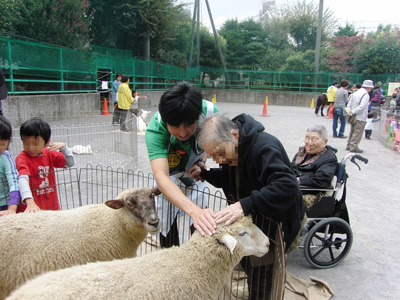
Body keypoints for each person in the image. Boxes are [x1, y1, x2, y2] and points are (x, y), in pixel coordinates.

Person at [188, 113, 305, 299]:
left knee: (263, 273)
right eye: (212, 156)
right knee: (251, 264)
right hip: (255, 221)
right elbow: (234, 179)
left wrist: (244, 205)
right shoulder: (233, 150)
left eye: (218, 153)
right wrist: (206, 173)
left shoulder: (264, 147)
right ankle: (254, 289)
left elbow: (287, 186)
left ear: (234, 135)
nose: (218, 159)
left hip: (275, 223)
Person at [145, 82, 219, 248]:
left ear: (198, 116)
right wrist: (193, 211)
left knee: (202, 230)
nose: (183, 132)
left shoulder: (210, 114)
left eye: (189, 125)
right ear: (166, 120)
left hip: (195, 178)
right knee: (167, 232)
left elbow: (215, 143)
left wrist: (203, 160)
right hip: (169, 180)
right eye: (175, 126)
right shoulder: (156, 129)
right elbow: (161, 177)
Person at [15, 118, 75, 213]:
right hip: (32, 209)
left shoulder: (49, 153)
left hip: (51, 207)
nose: (30, 148)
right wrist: (29, 201)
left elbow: (69, 163)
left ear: (46, 143)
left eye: (35, 144)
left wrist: (64, 147)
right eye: (26, 144)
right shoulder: (22, 158)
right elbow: (22, 180)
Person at [292, 124, 338, 209]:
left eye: (314, 139)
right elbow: (292, 168)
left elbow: (322, 180)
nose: (309, 143)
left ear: (325, 142)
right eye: (307, 138)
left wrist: (299, 180)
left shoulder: (328, 158)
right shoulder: (303, 152)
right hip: (295, 186)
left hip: (310, 192)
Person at [346, 79, 374, 153]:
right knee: (358, 132)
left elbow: (349, 103)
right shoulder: (366, 95)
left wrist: (350, 111)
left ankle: (349, 144)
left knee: (352, 130)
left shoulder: (356, 92)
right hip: (360, 116)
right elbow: (362, 107)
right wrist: (354, 111)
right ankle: (354, 146)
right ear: (369, 88)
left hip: (352, 115)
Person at [0, 116, 20, 216]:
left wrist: (12, 207)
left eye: (2, 144)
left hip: (4, 205)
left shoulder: (6, 158)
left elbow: (14, 182)